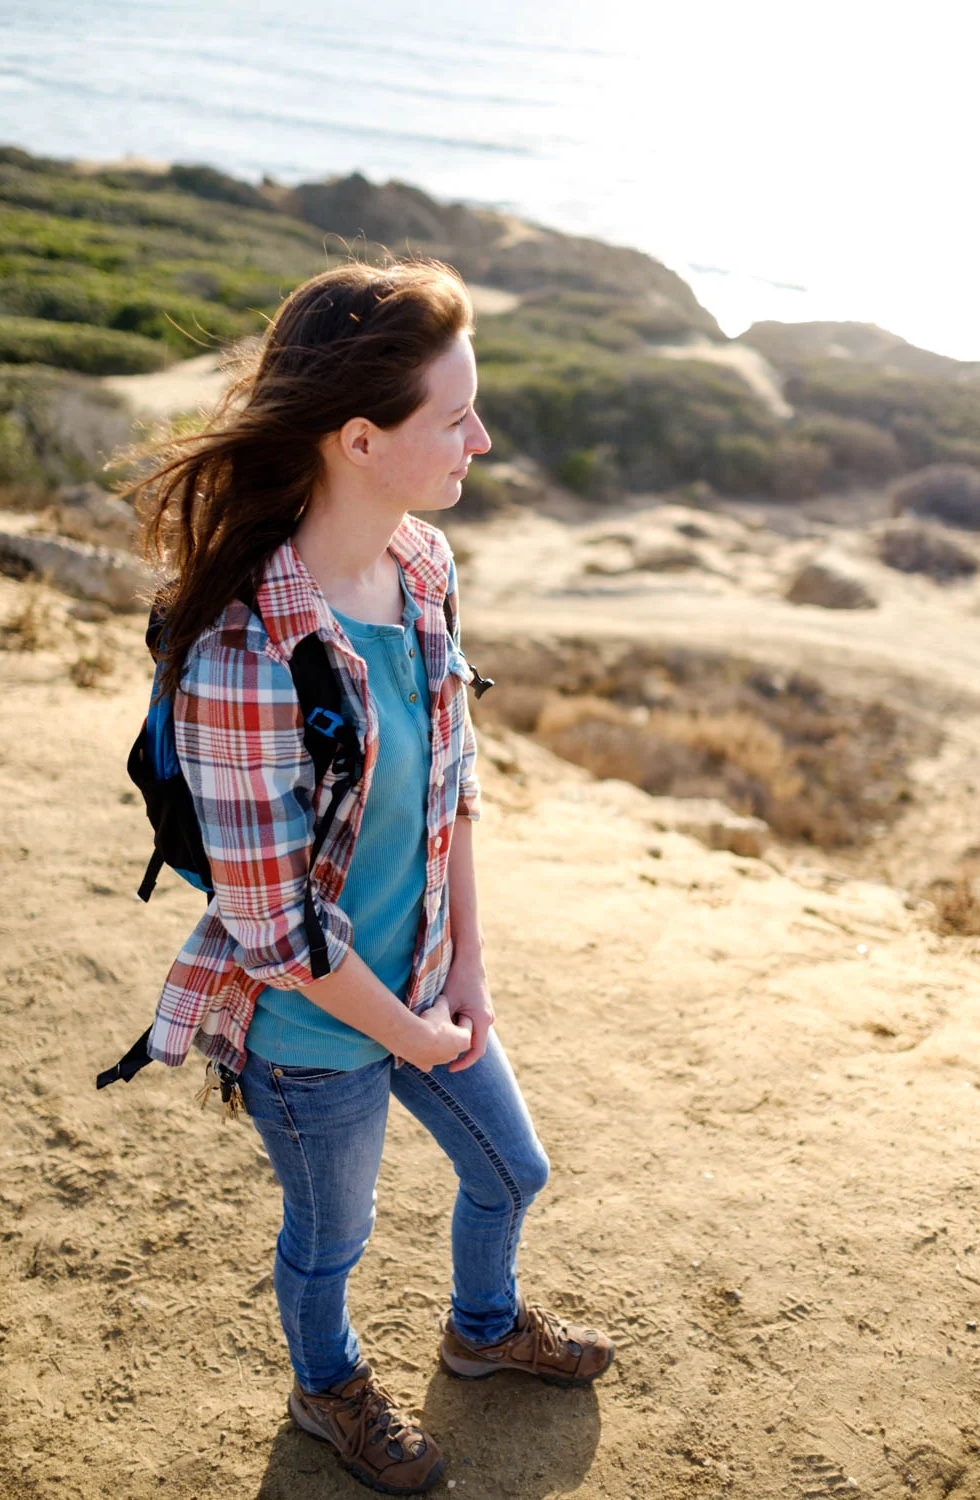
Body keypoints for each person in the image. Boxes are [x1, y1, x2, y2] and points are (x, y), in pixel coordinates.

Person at [130, 256, 614, 1495]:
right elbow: (278, 933)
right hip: (313, 1027)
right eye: (454, 417)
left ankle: (483, 1327)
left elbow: (451, 779)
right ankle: (326, 1387)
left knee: (516, 1172)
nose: (482, 437)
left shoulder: (423, 567)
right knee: (331, 1238)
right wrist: (409, 1030)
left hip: (423, 986)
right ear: (357, 437)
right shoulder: (246, 653)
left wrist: (468, 972)